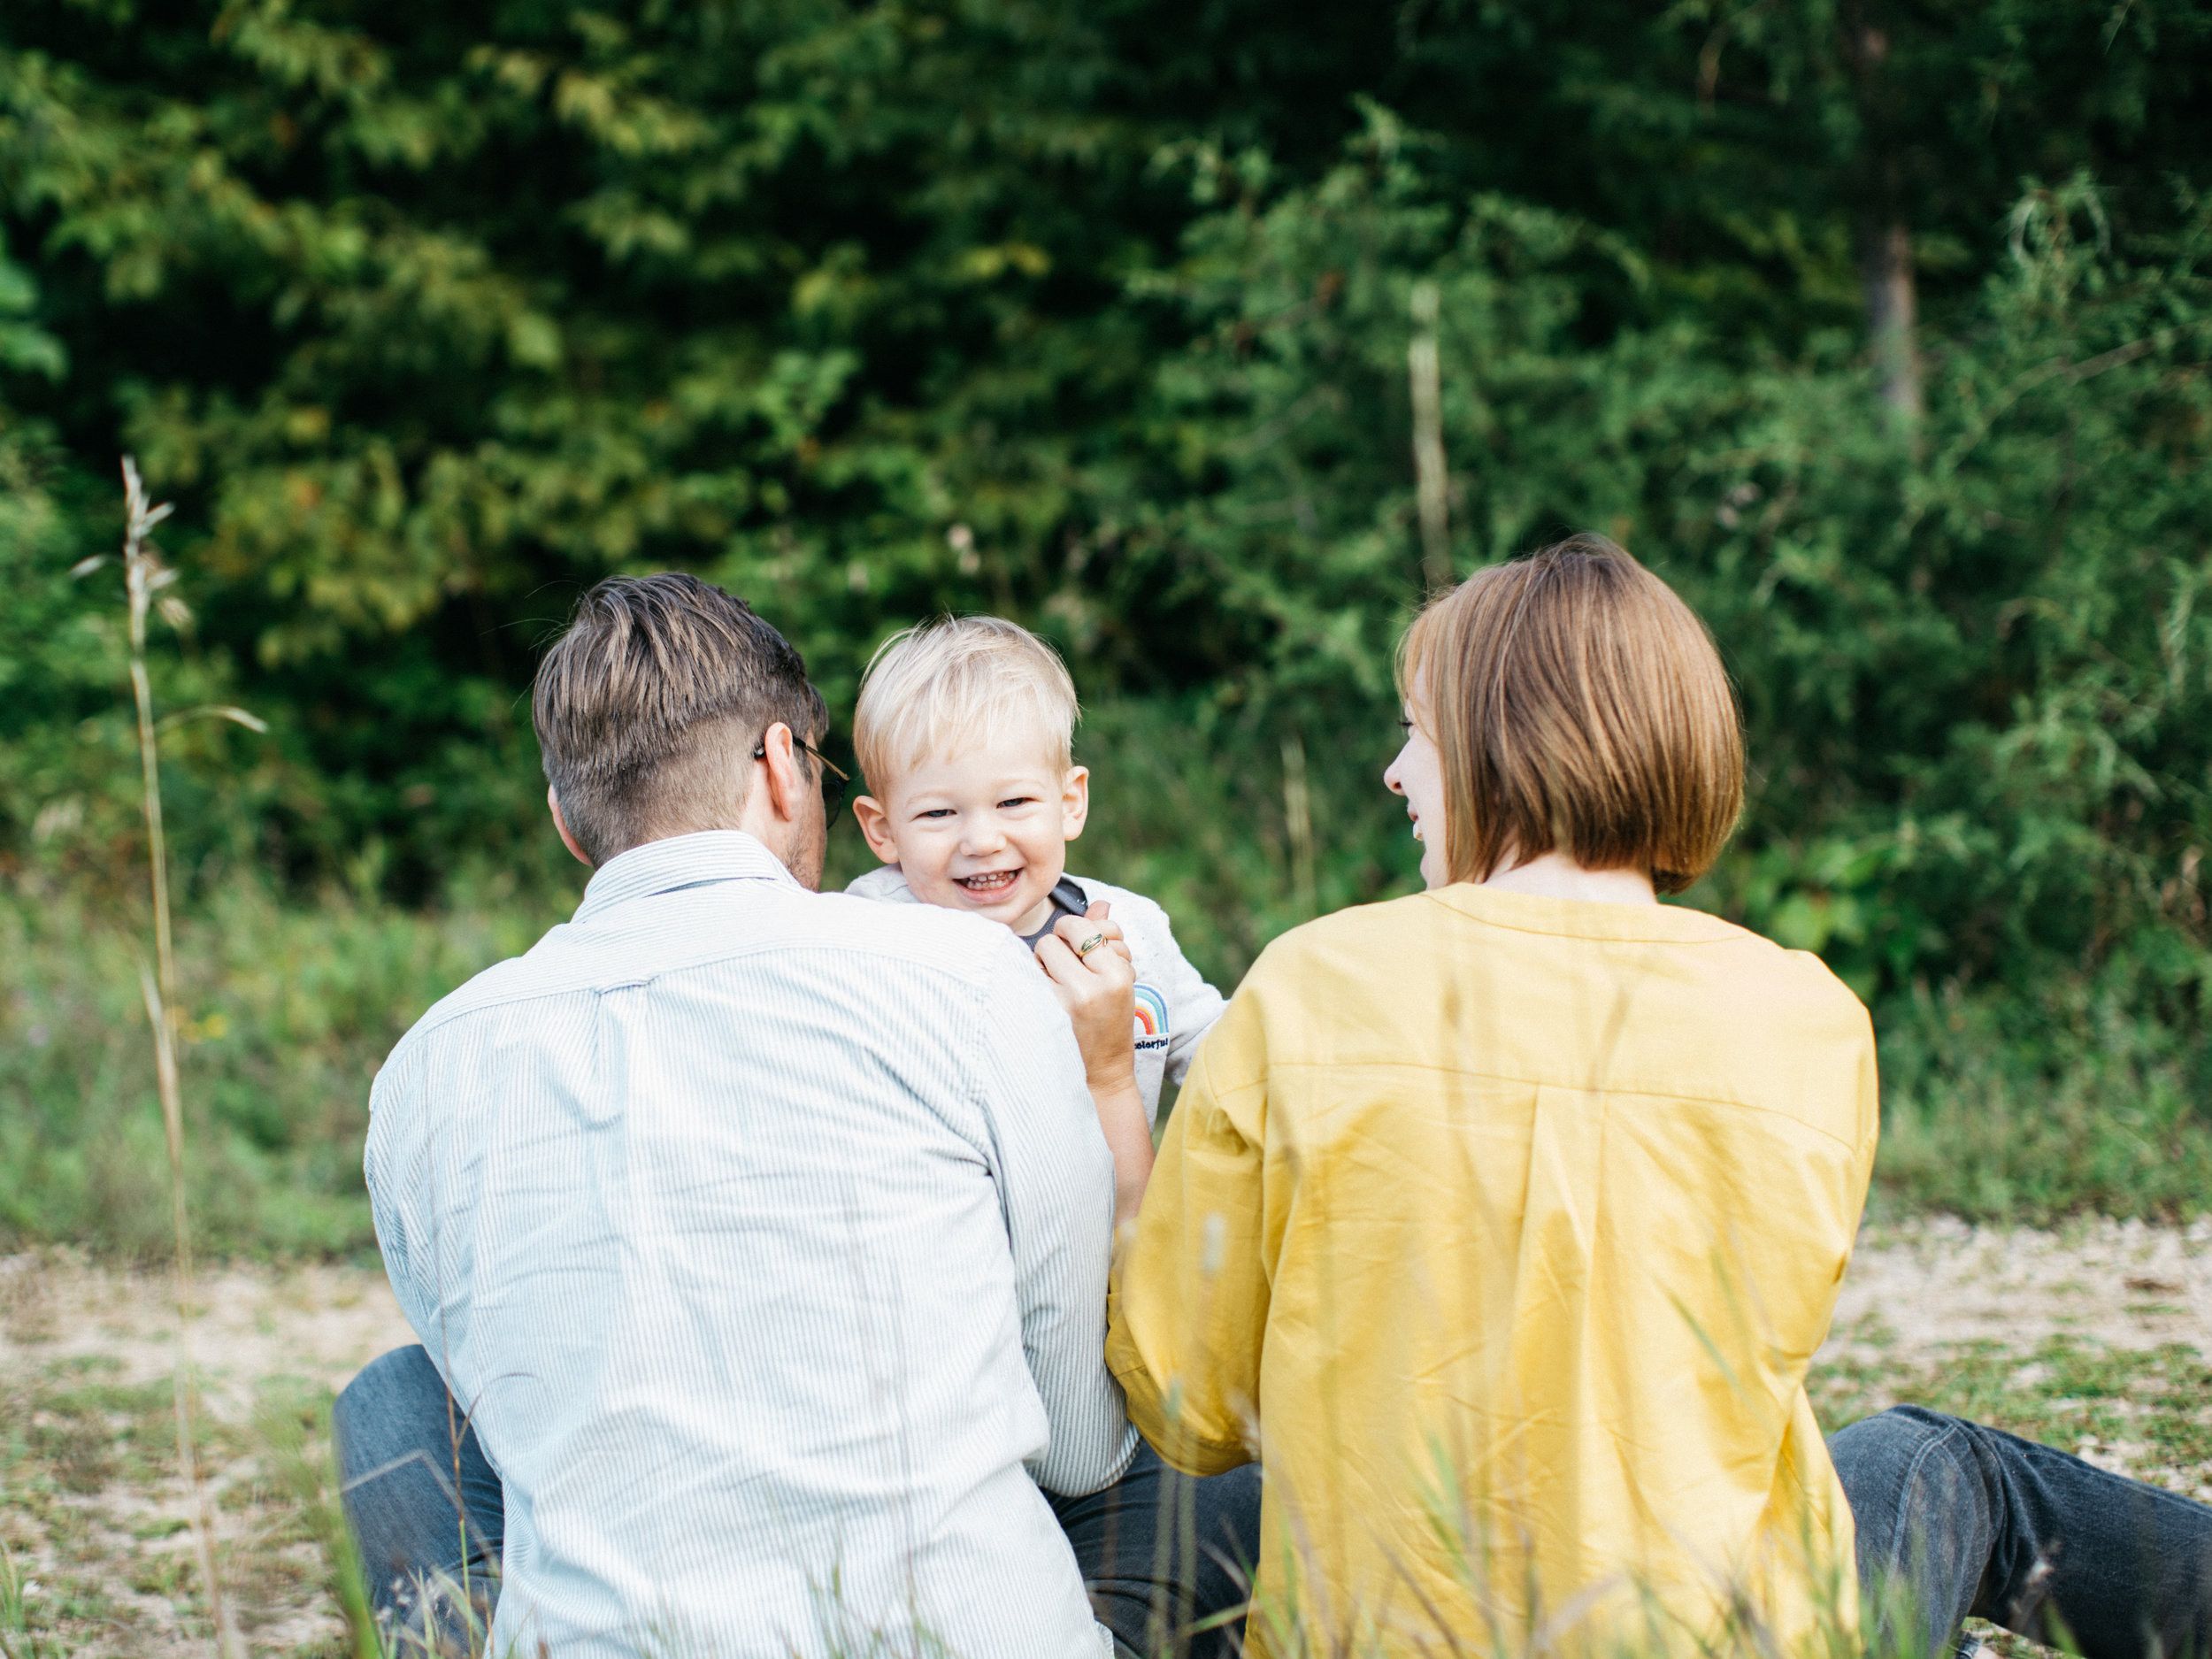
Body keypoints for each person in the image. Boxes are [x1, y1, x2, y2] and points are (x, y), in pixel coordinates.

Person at [1105, 534, 2212, 1659]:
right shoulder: (1805, 1017)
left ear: (1498, 746)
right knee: (1946, 1464)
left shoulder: (1305, 986)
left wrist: (1112, 1096)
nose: (1395, 773)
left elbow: (1189, 1406)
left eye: (1417, 735)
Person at [334, 573, 1256, 1659]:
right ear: (783, 769)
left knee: (395, 1403)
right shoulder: (962, 974)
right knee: (1209, 1426)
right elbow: (1082, 1450)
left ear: (567, 825)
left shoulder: (423, 1067)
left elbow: (488, 1388)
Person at [844, 616, 1227, 1222]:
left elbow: (1227, 1053)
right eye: (940, 812)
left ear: (1070, 803)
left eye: (1014, 801)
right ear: (883, 830)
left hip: (1115, 1254)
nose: (983, 839)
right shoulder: (870, 939)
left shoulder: (1135, 929)